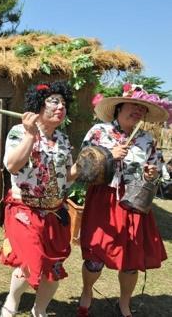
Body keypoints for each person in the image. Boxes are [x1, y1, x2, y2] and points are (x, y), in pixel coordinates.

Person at [77, 84, 169, 317]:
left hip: (134, 201)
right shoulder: (99, 132)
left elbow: (156, 168)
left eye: (142, 108)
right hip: (104, 200)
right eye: (134, 105)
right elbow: (83, 166)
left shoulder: (147, 139)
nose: (138, 111)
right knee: (95, 255)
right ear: (119, 107)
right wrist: (109, 155)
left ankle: (124, 302)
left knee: (131, 259)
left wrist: (151, 173)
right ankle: (87, 292)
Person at [0, 81, 78, 317]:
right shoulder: (19, 132)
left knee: (54, 268)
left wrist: (84, 166)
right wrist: (31, 136)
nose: (60, 106)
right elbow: (12, 166)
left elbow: (66, 178)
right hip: (24, 208)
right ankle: (12, 301)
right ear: (38, 105)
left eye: (63, 102)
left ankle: (39, 309)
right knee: (31, 262)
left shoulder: (62, 139)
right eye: (54, 101)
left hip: (55, 211)